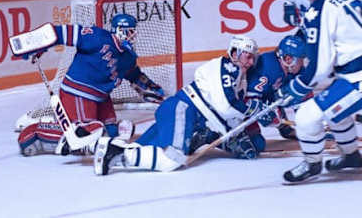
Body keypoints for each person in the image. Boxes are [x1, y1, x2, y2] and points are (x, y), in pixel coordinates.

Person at [93, 35, 277, 174]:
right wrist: (254, 110)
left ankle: (107, 148)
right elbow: (225, 106)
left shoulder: (239, 78)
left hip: (180, 111)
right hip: (183, 109)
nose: (251, 62)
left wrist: (243, 127)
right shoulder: (228, 68)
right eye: (247, 56)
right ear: (235, 52)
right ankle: (116, 154)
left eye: (253, 58)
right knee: (172, 160)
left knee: (143, 149)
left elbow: (228, 113)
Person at [277, 0, 362, 183]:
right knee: (336, 111)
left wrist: (296, 87)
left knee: (308, 116)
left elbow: (319, 67)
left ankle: (312, 163)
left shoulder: (316, 11)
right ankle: (351, 156)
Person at [18, 10, 165, 157]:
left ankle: (83, 130)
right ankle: (37, 130)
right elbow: (62, 32)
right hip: (77, 92)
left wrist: (156, 91)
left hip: (101, 97)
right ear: (120, 31)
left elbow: (135, 76)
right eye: (130, 31)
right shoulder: (97, 37)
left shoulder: (128, 57)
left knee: (111, 131)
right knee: (86, 133)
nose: (134, 36)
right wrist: (36, 44)